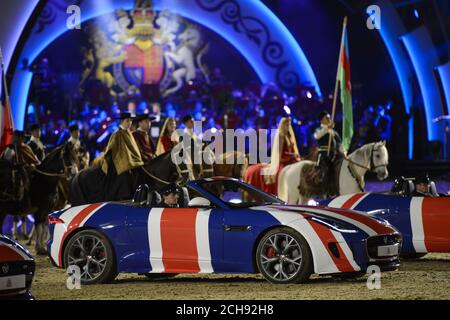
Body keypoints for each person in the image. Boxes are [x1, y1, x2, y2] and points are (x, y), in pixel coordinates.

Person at [314, 111, 346, 186]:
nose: (329, 119)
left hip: (335, 154)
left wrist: (344, 153)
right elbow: (317, 136)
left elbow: (339, 143)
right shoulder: (319, 129)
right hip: (324, 155)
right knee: (328, 168)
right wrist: (327, 128)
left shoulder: (333, 131)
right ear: (321, 120)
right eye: (327, 118)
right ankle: (326, 187)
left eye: (329, 118)